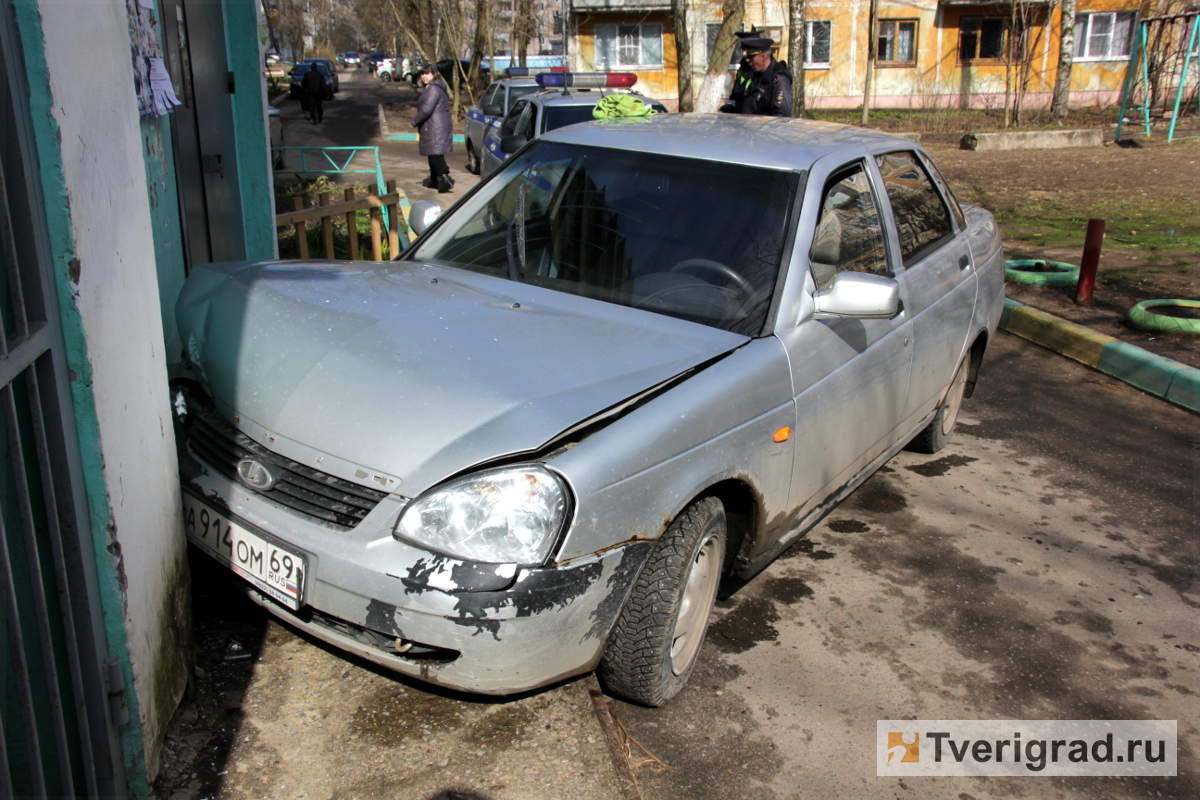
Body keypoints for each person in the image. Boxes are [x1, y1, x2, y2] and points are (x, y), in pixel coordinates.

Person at [411, 64, 455, 193]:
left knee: (435, 155)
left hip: (434, 126)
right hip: (435, 125)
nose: (424, 76)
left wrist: (414, 121)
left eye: (427, 74)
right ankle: (435, 180)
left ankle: (445, 179)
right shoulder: (433, 87)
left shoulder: (433, 89)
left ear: (434, 74)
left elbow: (426, 109)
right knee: (433, 153)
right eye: (422, 74)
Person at [723, 38, 792, 117]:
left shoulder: (779, 79)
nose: (749, 61)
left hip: (763, 128)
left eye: (751, 58)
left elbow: (781, 115)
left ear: (763, 57)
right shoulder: (754, 75)